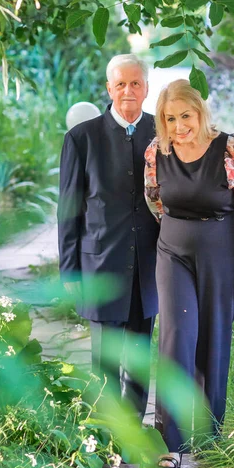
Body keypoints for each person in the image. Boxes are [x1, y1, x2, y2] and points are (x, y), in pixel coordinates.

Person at [144, 79, 234, 468]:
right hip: (173, 252)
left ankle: (209, 438)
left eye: (186, 115)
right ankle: (172, 442)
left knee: (213, 340)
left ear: (200, 112)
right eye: (170, 118)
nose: (179, 125)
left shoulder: (230, 148)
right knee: (176, 337)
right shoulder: (157, 151)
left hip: (220, 250)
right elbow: (155, 200)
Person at [58, 54, 159, 418]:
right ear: (109, 89)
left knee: (138, 358)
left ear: (147, 88)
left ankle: (132, 435)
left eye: (135, 83)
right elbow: (68, 209)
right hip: (99, 264)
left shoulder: (163, 133)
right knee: (103, 360)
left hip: (148, 265)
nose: (128, 91)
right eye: (120, 84)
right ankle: (104, 434)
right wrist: (69, 269)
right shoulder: (82, 138)